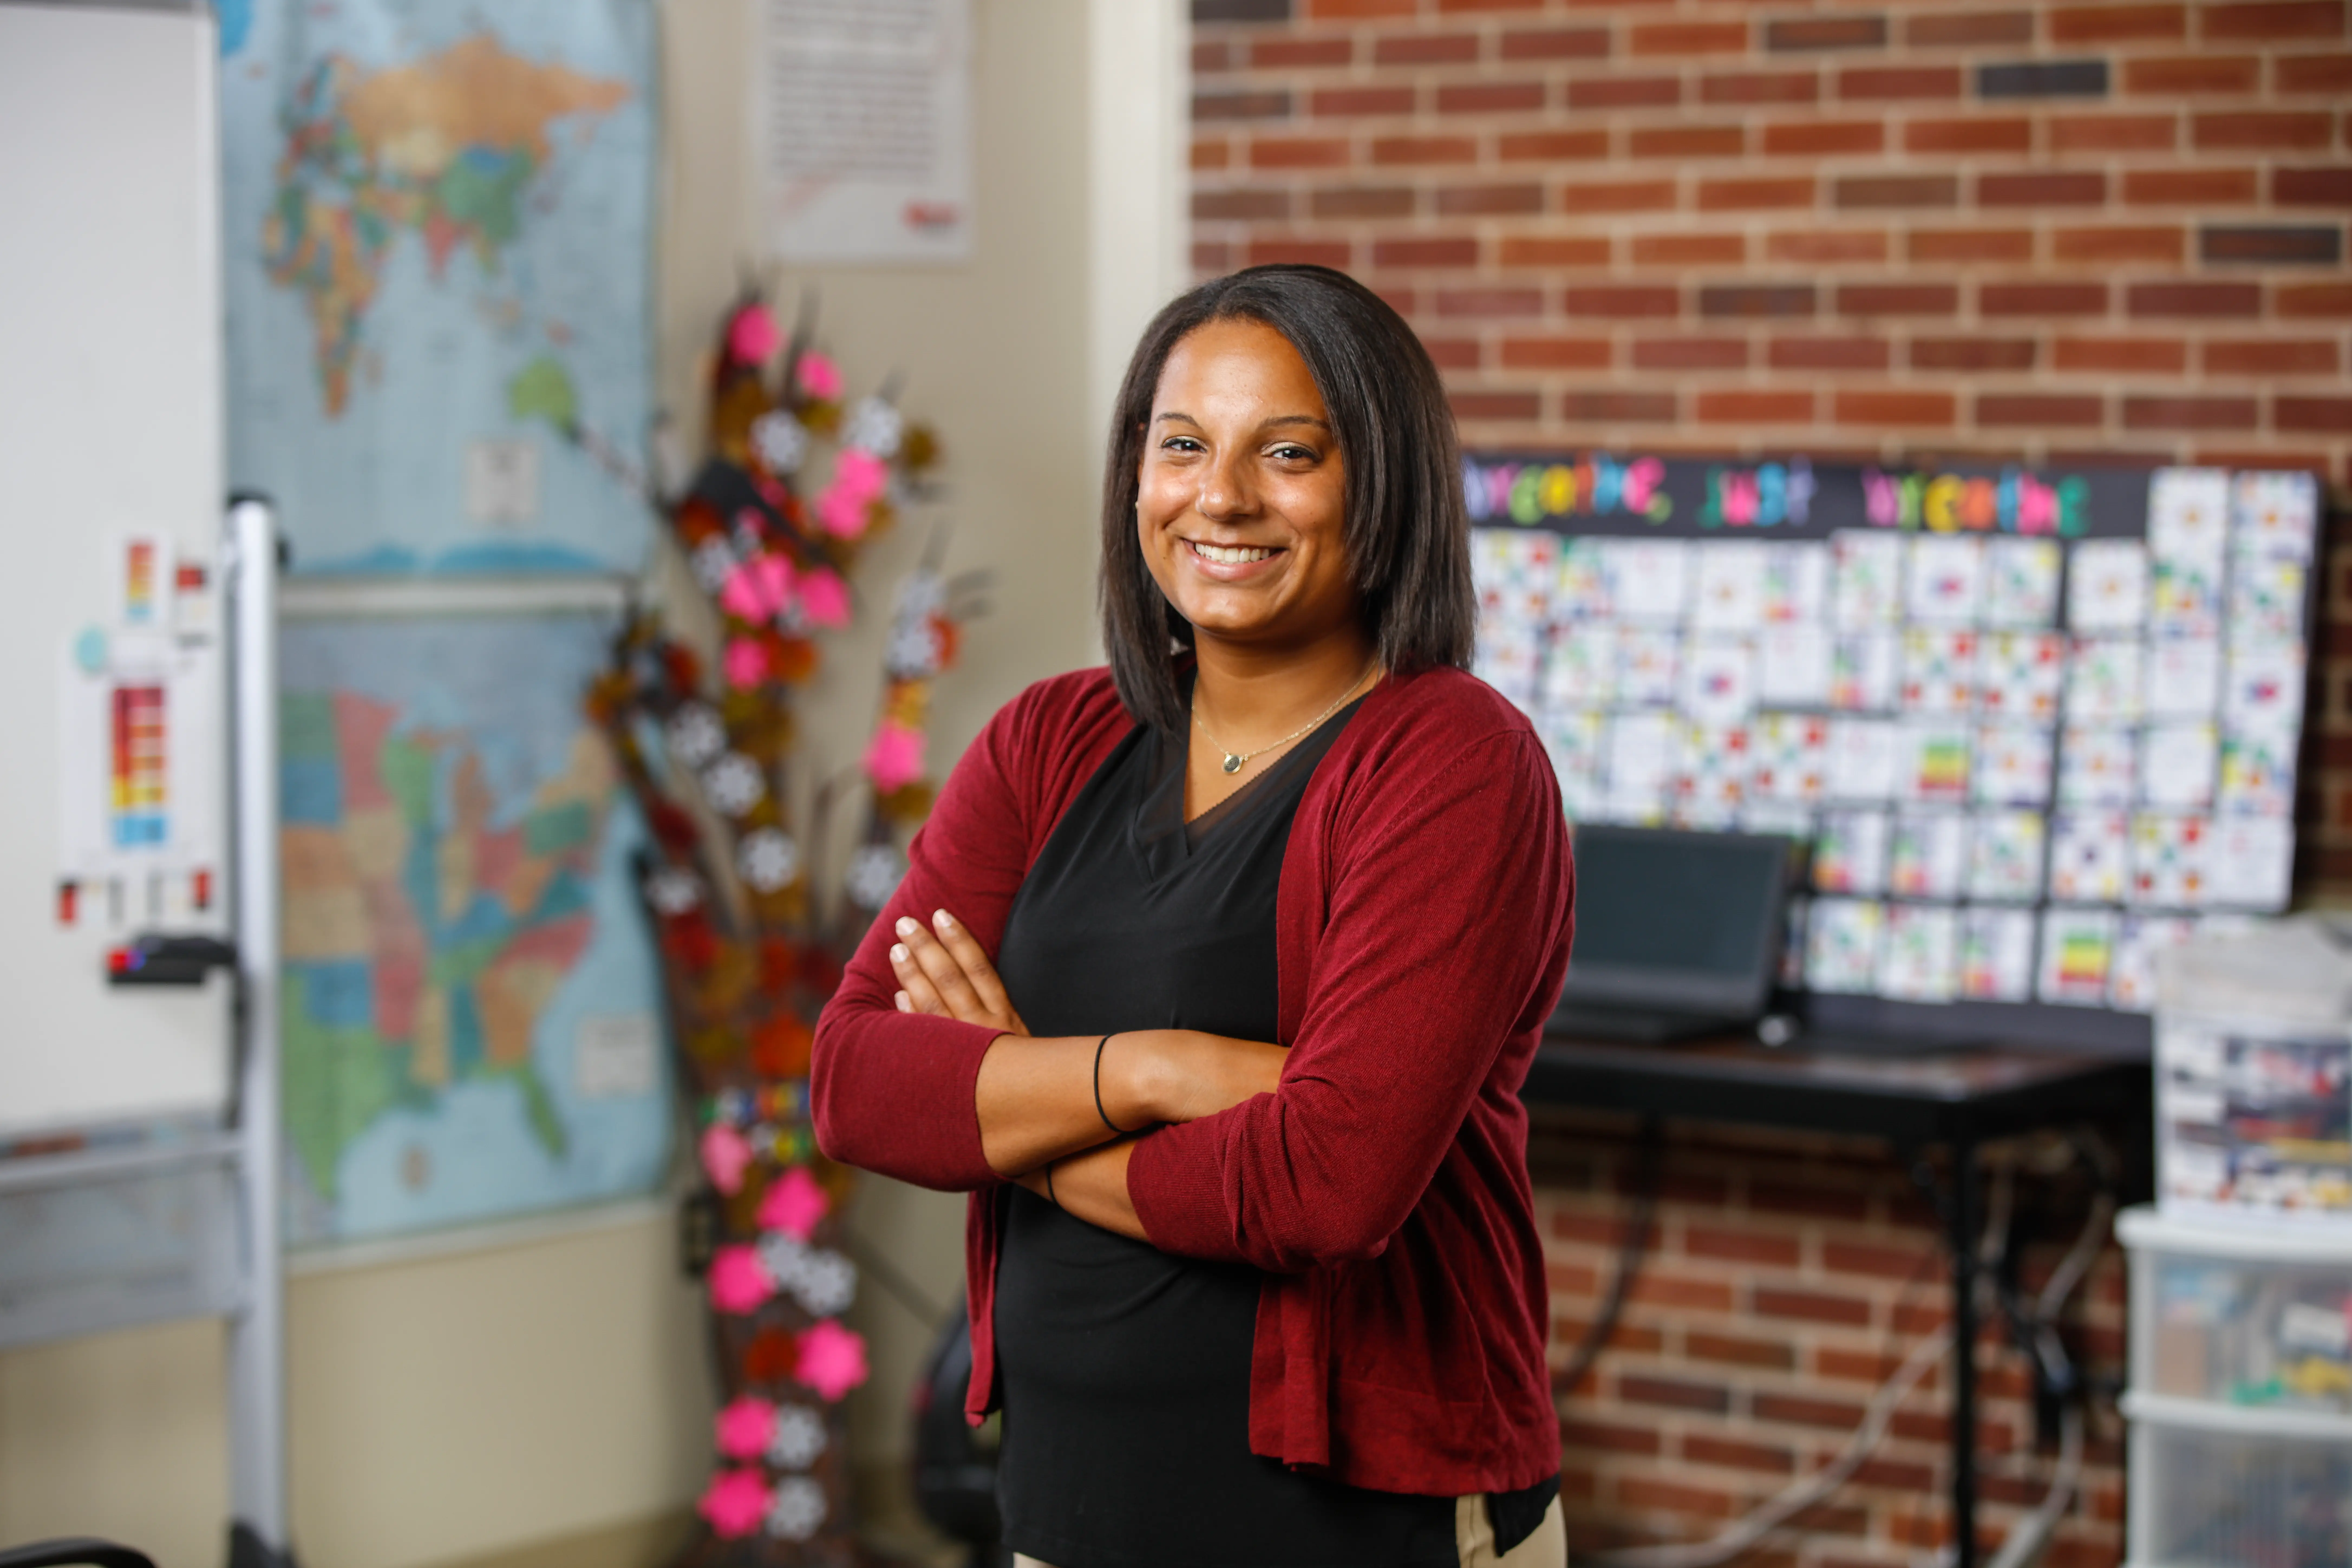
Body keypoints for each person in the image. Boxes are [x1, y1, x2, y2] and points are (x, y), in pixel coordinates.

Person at [812, 264, 1574, 1568]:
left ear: (1379, 481)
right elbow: (857, 1079)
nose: (1221, 496)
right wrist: (1162, 1068)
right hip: (1064, 1510)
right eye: (1182, 446)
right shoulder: (1053, 738)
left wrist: (1012, 1117)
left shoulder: (1449, 760)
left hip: (1361, 1527)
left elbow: (1329, 1184)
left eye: (1288, 453)